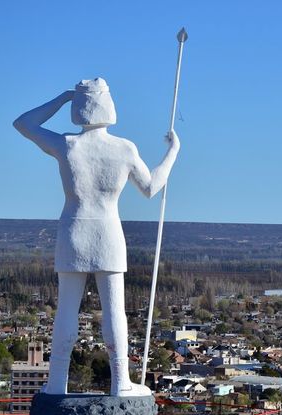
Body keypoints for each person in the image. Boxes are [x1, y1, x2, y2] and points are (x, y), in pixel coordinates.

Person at [14, 78, 179, 396]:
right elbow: (151, 187)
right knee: (114, 310)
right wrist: (173, 151)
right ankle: (120, 382)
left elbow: (23, 123)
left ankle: (56, 382)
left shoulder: (66, 144)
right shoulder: (124, 148)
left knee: (66, 310)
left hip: (73, 231)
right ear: (108, 105)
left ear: (79, 106)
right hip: (108, 233)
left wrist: (61, 98)